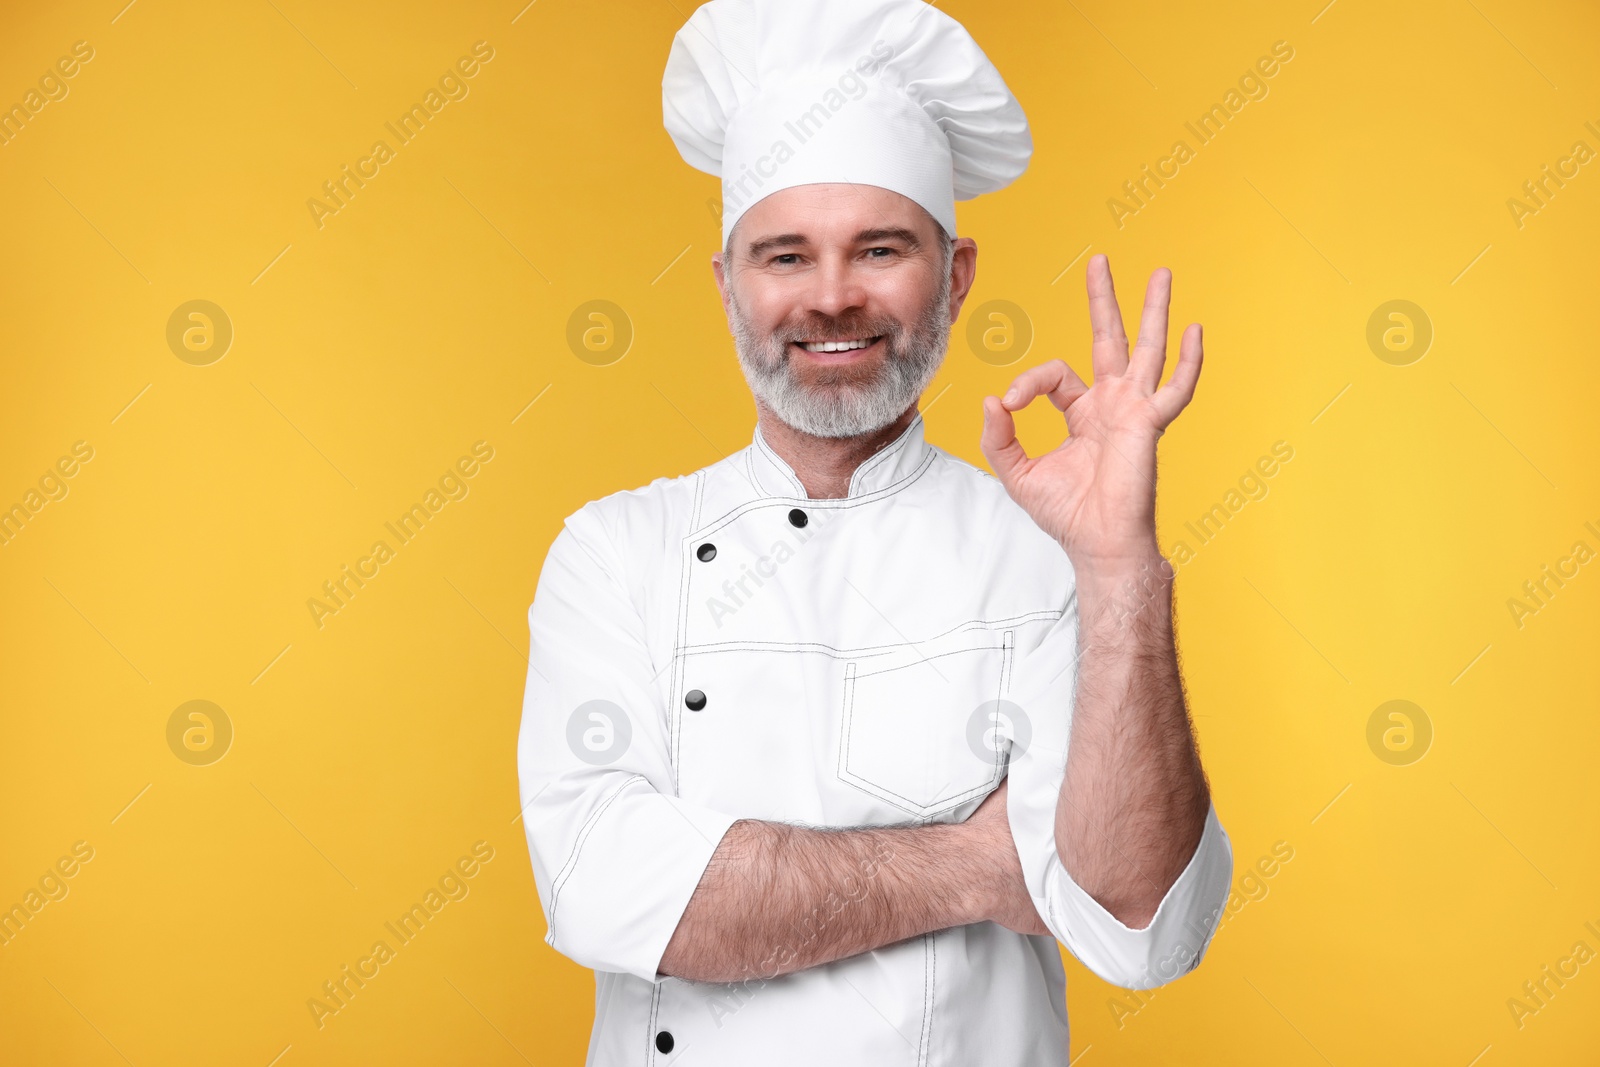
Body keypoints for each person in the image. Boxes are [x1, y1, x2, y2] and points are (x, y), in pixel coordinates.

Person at [516, 0, 1233, 1061]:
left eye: (880, 247)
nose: (834, 298)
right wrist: (984, 864)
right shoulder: (614, 551)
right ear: (727, 287)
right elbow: (606, 889)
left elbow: (1142, 928)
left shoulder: (1046, 546)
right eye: (785, 256)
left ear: (955, 276)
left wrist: (1120, 564)